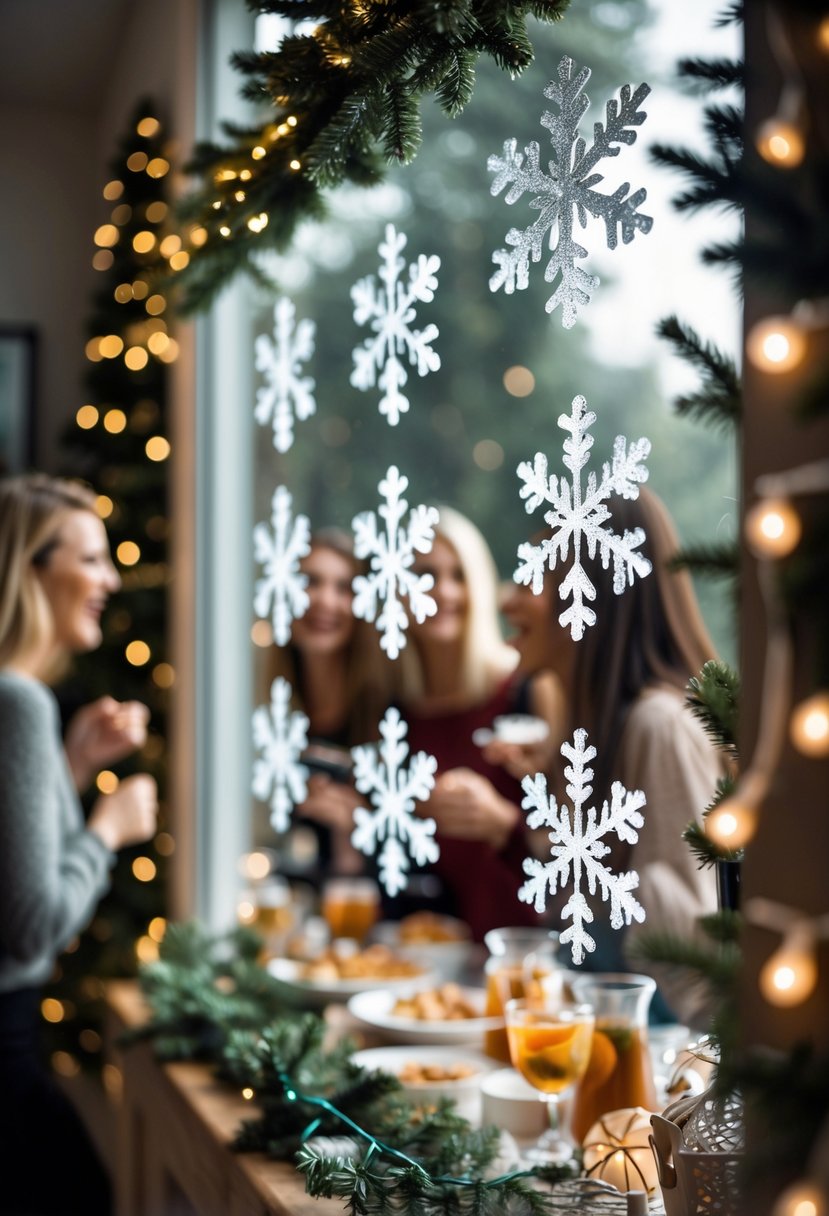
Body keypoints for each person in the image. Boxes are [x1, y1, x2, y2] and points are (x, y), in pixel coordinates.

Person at [500, 487, 722, 1024]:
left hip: (654, 1085)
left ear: (590, 594)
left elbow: (693, 974)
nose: (510, 599)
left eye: (538, 573)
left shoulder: (659, 727)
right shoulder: (588, 733)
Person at [0, 474, 159, 1216]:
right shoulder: (17, 699)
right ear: (32, 567)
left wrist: (69, 768)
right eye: (91, 560)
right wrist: (108, 827)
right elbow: (30, 923)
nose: (112, 577)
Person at [398, 506, 564, 940]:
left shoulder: (527, 688)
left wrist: (503, 822)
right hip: (443, 952)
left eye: (458, 575)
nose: (444, 592)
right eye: (426, 574)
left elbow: (577, 836)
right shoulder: (401, 711)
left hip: (531, 944)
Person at [266, 528, 394, 877]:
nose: (325, 600)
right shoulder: (272, 713)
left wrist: (353, 829)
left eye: (345, 588)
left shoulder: (388, 713)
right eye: (311, 581)